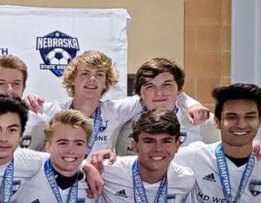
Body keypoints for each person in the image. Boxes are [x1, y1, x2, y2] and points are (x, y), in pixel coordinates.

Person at [30, 50, 209, 154]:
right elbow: (15, 113)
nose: (92, 80)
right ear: (71, 79)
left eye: (99, 75)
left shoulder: (116, 110)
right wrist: (25, 100)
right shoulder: (52, 111)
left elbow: (158, 94)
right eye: (85, 74)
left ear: (106, 82)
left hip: (97, 195)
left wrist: (191, 104)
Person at [113, 58, 220, 155]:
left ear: (179, 90)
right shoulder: (124, 122)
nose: (159, 93)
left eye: (167, 84)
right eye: (150, 86)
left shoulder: (203, 120)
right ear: (140, 93)